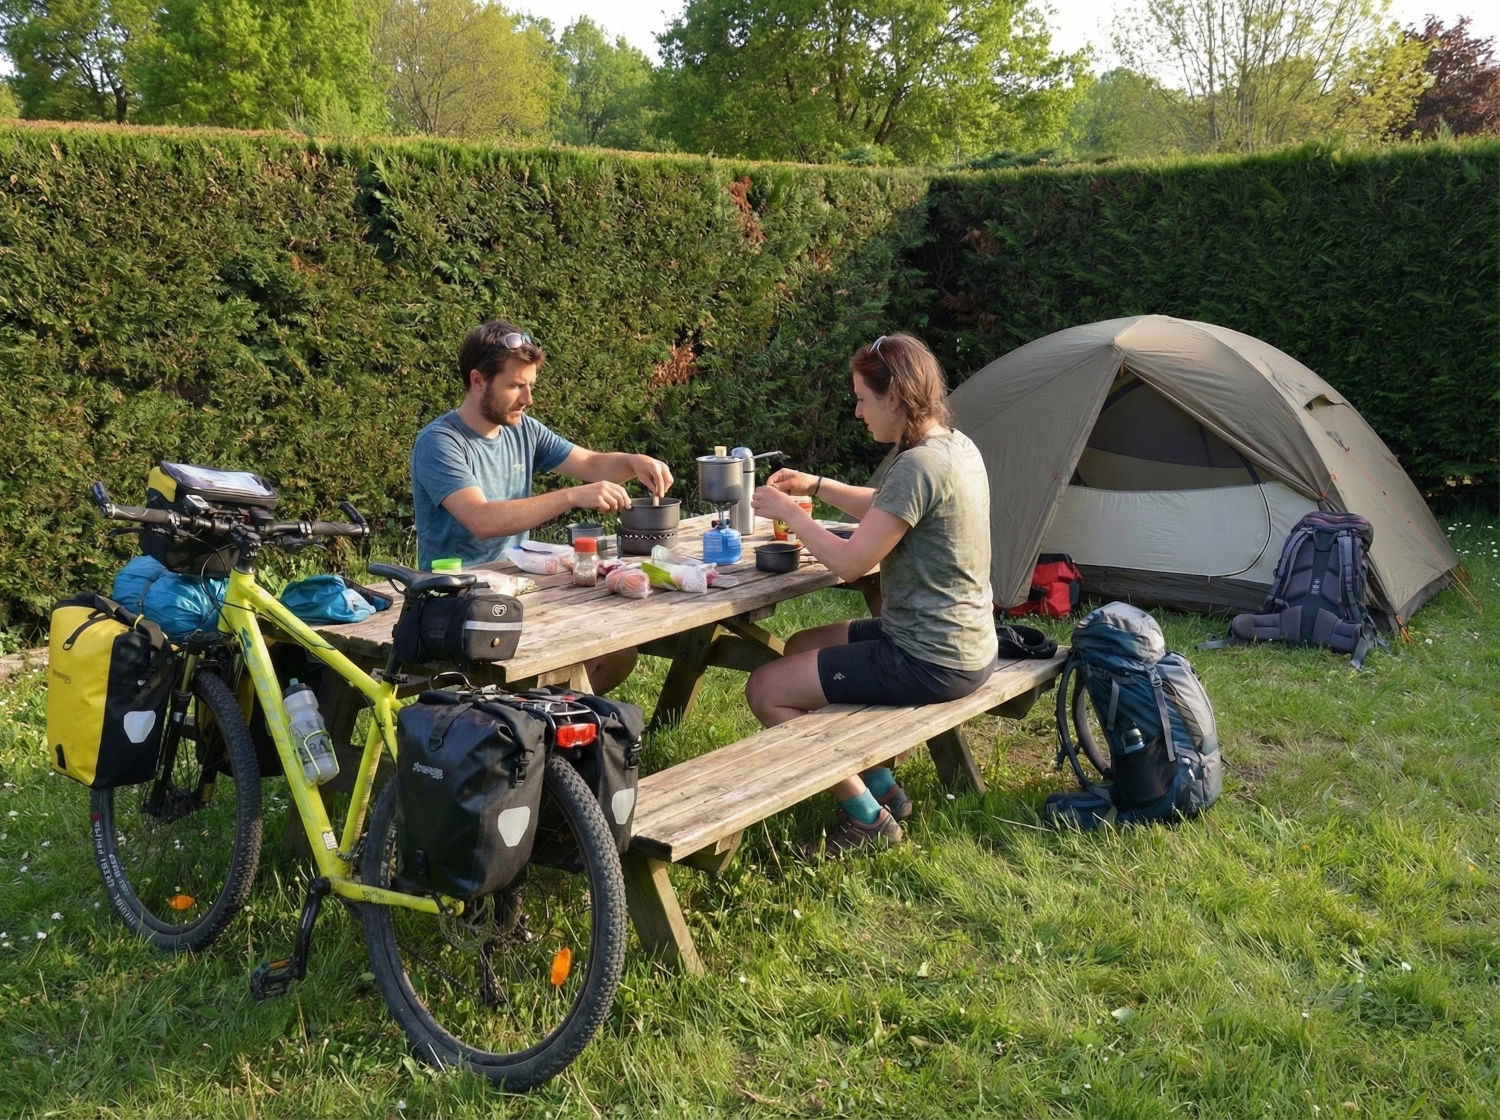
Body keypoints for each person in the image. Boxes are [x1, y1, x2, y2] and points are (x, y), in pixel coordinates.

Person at [747, 333, 998, 856]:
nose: (858, 411)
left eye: (862, 399)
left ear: (895, 395)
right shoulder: (954, 446)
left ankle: (867, 819)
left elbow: (850, 563)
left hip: (929, 657)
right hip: (963, 641)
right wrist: (816, 485)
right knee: (800, 646)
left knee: (765, 689)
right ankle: (883, 786)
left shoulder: (918, 464)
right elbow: (891, 505)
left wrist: (790, 514)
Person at [410, 319, 673, 694]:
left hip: (519, 586)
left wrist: (634, 462)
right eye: (516, 386)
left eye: (530, 385)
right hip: (456, 602)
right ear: (478, 380)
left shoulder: (523, 429)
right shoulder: (440, 443)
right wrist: (571, 496)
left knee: (618, 651)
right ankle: (526, 725)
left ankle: (544, 728)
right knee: (560, 660)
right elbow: (480, 519)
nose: (527, 399)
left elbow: (591, 464)